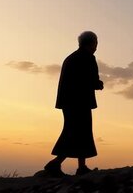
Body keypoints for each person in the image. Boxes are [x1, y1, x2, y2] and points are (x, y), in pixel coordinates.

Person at [44, 31, 104, 176]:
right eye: (96, 43)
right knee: (76, 132)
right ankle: (55, 164)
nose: (96, 46)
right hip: (79, 102)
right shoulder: (88, 58)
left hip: (68, 102)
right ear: (91, 43)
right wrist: (99, 84)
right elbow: (90, 80)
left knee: (78, 132)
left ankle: (81, 167)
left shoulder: (71, 58)